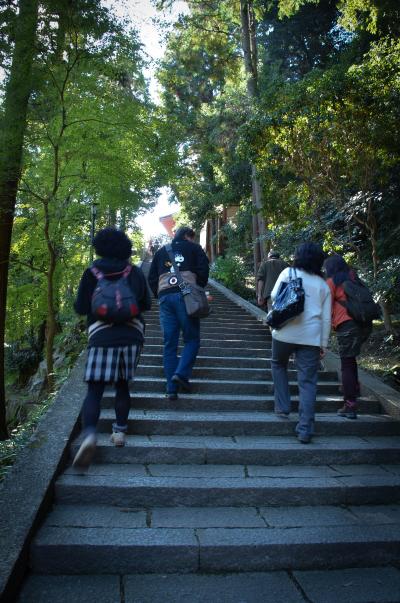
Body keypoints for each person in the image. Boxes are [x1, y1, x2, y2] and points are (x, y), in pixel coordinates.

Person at [73, 227, 151, 468]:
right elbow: (146, 303)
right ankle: (119, 432)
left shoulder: (91, 272)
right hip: (131, 335)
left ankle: (88, 434)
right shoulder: (134, 272)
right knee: (122, 385)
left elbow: (81, 307)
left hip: (101, 335)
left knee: (95, 390)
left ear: (99, 246)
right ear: (125, 247)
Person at [270, 243, 331, 444]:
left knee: (278, 364)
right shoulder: (323, 284)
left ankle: (283, 406)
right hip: (311, 337)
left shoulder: (288, 272)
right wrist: (323, 343)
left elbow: (274, 296)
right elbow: (326, 318)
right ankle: (305, 429)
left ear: (298, 256)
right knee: (308, 382)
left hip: (285, 332)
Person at [148, 226, 209, 400]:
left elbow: (152, 277)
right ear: (188, 236)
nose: (194, 240)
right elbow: (204, 271)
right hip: (186, 296)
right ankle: (181, 374)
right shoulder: (194, 248)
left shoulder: (161, 252)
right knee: (191, 339)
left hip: (165, 298)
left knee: (170, 343)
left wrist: (159, 293)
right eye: (193, 237)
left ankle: (171, 389)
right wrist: (198, 287)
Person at [324, 254, 372, 419]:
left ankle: (350, 404)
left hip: (347, 326)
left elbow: (326, 307)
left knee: (346, 363)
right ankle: (353, 388)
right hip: (364, 325)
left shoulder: (332, 282)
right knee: (350, 360)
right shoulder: (354, 278)